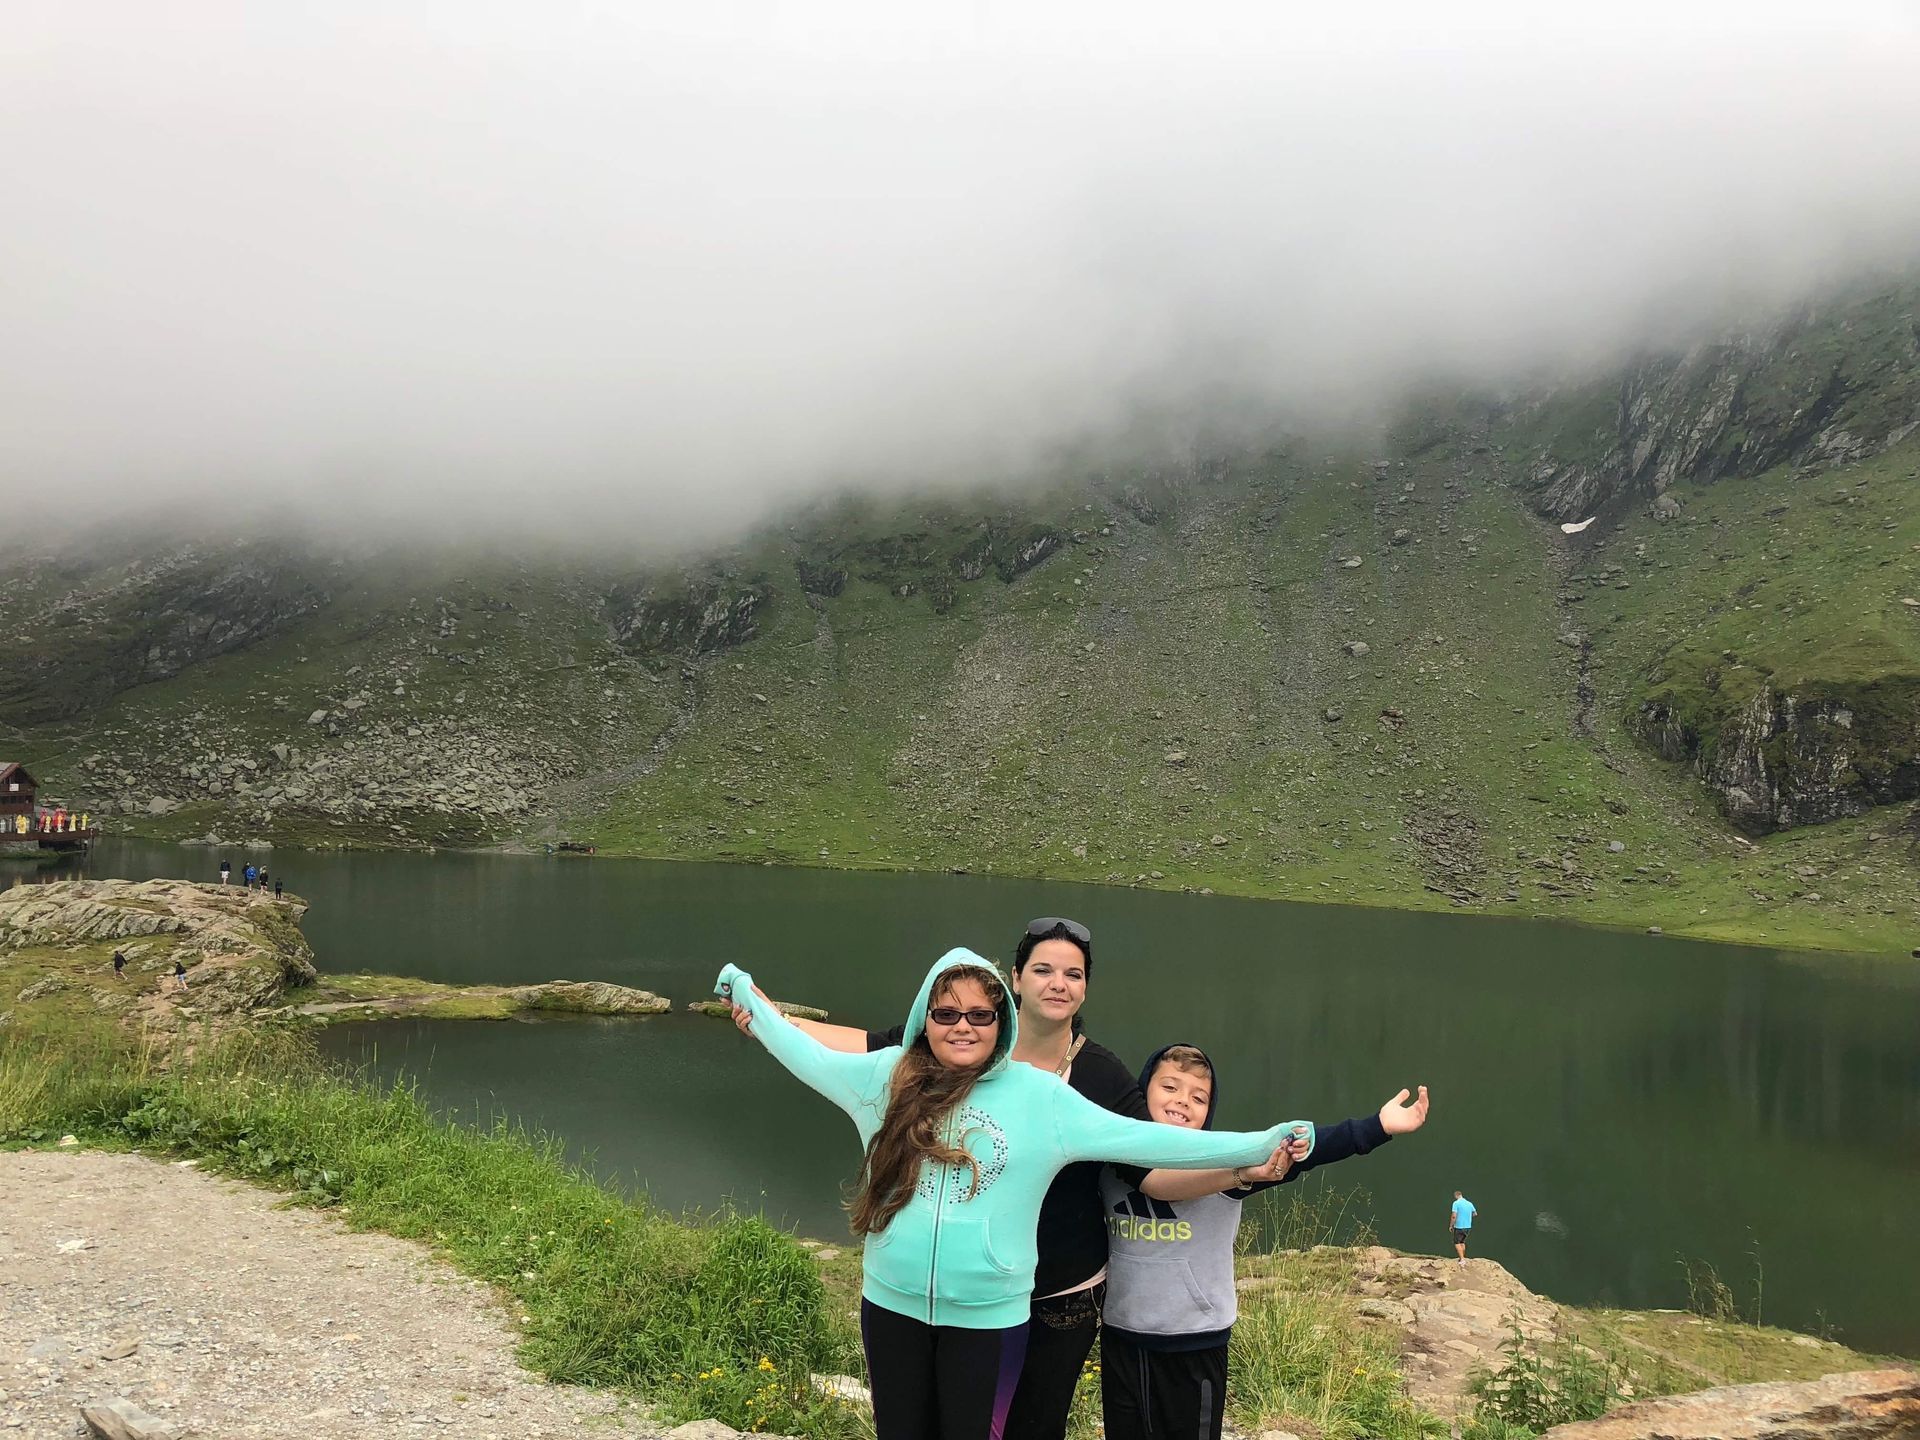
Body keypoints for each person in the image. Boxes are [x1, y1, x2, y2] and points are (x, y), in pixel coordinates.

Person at [718, 951, 1313, 1440]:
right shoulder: (883, 1076)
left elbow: (1147, 1140)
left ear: (1002, 1023)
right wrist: (747, 993)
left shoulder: (1040, 1097)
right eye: (947, 1013)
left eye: (980, 1015)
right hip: (890, 1303)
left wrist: (1257, 1146)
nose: (963, 1026)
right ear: (924, 1017)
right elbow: (804, 1054)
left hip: (989, 1315)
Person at [734, 916, 1144, 1440]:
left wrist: (1248, 1161)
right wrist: (768, 1016)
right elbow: (838, 1050)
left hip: (1047, 1294)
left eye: (1073, 974)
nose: (1058, 983)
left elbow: (1147, 1152)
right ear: (1017, 979)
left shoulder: (1082, 1082)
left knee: (1023, 1428)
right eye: (1043, 969)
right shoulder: (907, 1071)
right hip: (913, 1300)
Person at [1099, 1045, 1429, 1440]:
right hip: (1122, 1336)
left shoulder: (1225, 1160)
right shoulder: (1112, 1159)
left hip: (1194, 1342)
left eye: (1198, 1097)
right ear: (1140, 1092)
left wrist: (1377, 1127)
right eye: (1169, 1086)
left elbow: (1298, 1150)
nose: (1182, 1101)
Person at [1450, 1190, 1477, 1265]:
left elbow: (1454, 1216)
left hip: (1459, 1226)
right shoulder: (1469, 1203)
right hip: (1468, 1226)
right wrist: (1467, 1217)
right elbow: (1475, 1213)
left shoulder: (1456, 1203)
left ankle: (1462, 1259)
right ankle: (1462, 1257)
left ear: (1456, 1196)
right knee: (1462, 1242)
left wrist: (1451, 1225)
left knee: (1457, 1243)